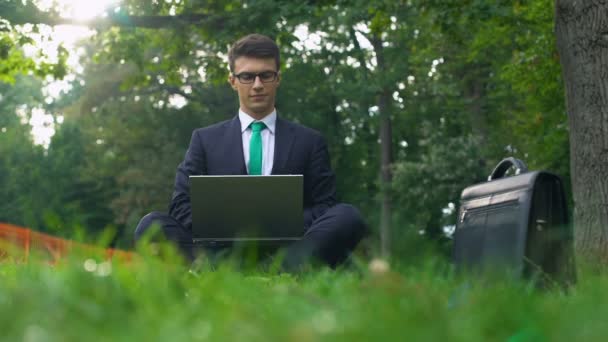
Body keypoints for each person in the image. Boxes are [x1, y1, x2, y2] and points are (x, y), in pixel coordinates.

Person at [134, 33, 366, 270]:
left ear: (278, 79)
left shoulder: (310, 141)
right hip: (220, 246)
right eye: (247, 76)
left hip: (290, 246)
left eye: (265, 75)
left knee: (347, 216)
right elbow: (181, 204)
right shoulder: (204, 139)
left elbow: (326, 204)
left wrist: (276, 223)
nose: (257, 85)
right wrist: (230, 226)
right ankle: (249, 270)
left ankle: (266, 270)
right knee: (151, 224)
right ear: (233, 81)